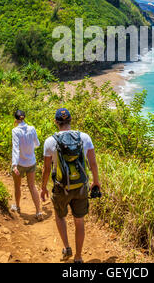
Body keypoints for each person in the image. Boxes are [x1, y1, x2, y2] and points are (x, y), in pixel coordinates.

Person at [41, 108, 101, 264]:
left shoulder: (50, 141)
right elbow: (93, 163)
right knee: (79, 221)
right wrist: (96, 182)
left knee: (60, 216)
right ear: (70, 120)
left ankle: (67, 247)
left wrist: (43, 187)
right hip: (81, 186)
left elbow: (47, 169)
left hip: (61, 187)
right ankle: (79, 257)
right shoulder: (84, 137)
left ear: (56, 122)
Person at [11, 110, 43, 221]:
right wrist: (29, 149)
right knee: (32, 186)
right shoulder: (32, 129)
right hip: (31, 162)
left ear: (15, 119)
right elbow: (37, 144)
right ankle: (39, 211)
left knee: (17, 185)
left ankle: (18, 206)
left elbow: (15, 148)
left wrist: (14, 165)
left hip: (19, 163)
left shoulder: (15, 131)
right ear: (24, 118)